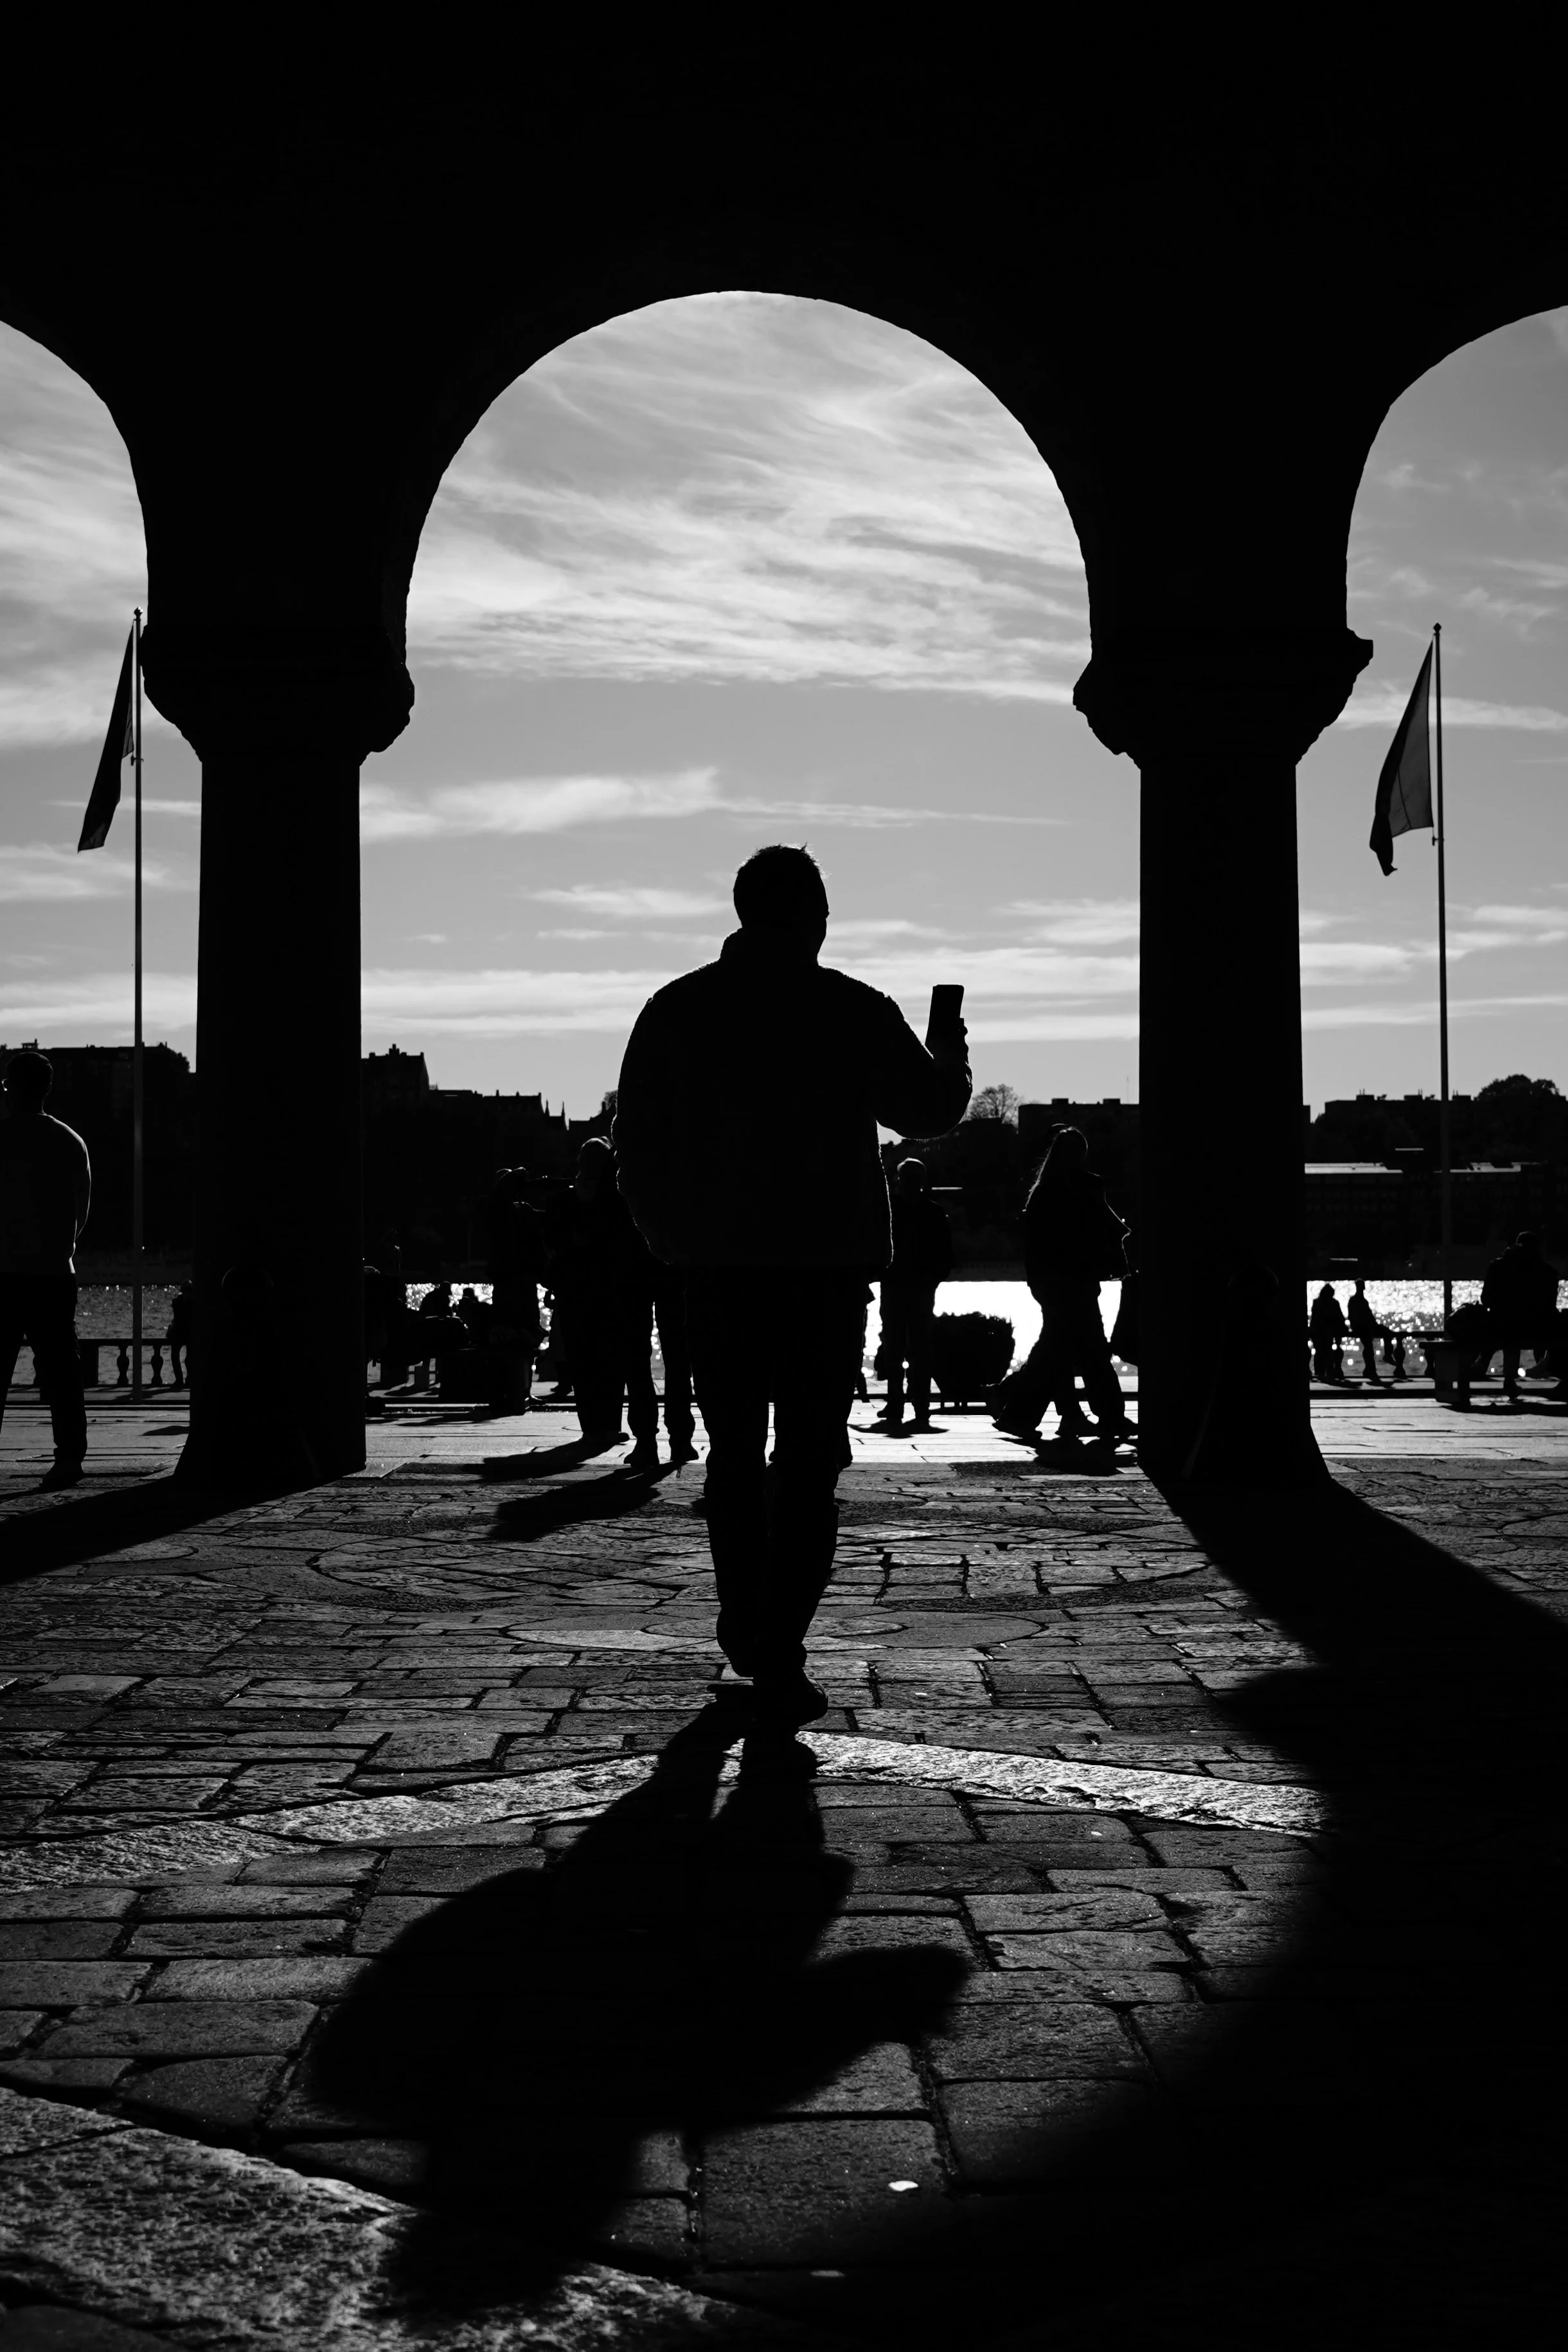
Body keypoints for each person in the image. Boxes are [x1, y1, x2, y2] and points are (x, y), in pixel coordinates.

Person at [615, 844, 970, 1722]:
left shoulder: (678, 1009)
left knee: (734, 1456)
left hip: (719, 1270)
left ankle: (746, 1619)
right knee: (810, 1464)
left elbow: (638, 1143)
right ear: (815, 917)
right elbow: (928, 1110)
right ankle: (779, 1640)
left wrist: (668, 1236)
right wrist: (950, 1045)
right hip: (824, 1274)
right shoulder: (850, 1009)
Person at [991, 1127, 1133, 1444]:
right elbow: (1106, 1228)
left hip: (1055, 1281)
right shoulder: (1086, 1187)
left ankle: (1026, 1410)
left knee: (1061, 1348)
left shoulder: (1044, 1192)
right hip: (1075, 1279)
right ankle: (1102, 1415)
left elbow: (1037, 1244)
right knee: (1083, 1348)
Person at [0, 1048, 92, 1490]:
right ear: (48, 1088)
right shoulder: (70, 1141)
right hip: (54, 1272)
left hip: (4, 1273)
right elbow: (81, 1212)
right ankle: (69, 1458)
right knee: (61, 1372)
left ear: (8, 1088)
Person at [548, 1137, 660, 1466]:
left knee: (587, 1363)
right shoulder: (624, 1201)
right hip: (619, 1294)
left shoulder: (566, 1202)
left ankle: (598, 1427)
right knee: (628, 1368)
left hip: (584, 1294)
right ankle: (629, 1433)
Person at [876, 1158, 952, 1434]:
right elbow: (946, 1253)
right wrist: (933, 1279)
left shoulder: (891, 1210)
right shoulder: (933, 1212)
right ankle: (920, 1403)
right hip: (919, 1288)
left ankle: (897, 1402)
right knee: (919, 1347)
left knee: (895, 1346)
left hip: (897, 1286)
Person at [1482, 1230, 1565, 1400]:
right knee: (1556, 1328)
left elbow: (1486, 1300)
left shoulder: (1498, 1267)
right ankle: (1547, 1366)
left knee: (1508, 1327)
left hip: (1503, 1327)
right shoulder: (1548, 1272)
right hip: (1537, 1329)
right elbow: (1550, 1305)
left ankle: (1505, 1377)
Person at [1346, 1277, 1390, 1386]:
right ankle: (1372, 1369)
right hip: (1362, 1328)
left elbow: (1364, 1317)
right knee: (1369, 1347)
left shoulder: (1358, 1300)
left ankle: (1378, 1363)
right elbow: (1360, 1317)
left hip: (1365, 1327)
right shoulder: (1358, 1301)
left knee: (1374, 1342)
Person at [1309, 1285, 1347, 1384]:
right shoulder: (1333, 1303)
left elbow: (1314, 1319)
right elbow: (1340, 1317)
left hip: (1321, 1332)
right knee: (1326, 1353)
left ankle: (1321, 1373)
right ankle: (1327, 1373)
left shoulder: (1317, 1302)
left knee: (1321, 1353)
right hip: (1325, 1331)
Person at [165, 1281, 192, 1387]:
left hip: (179, 1332)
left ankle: (179, 1379)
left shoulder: (177, 1302)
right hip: (189, 1332)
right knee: (189, 1357)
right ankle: (189, 1379)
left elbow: (177, 1318)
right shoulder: (193, 1302)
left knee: (175, 1355)